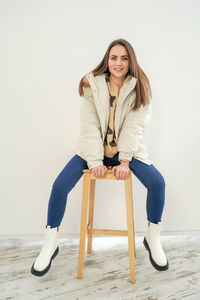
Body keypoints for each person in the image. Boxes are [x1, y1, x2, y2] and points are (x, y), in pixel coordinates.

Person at [31, 38, 169, 277]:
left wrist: (125, 159)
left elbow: (134, 128)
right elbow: (89, 125)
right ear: (107, 60)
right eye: (114, 57)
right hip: (92, 150)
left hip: (127, 151)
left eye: (124, 58)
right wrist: (94, 161)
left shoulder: (140, 86)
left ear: (131, 61)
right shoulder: (91, 85)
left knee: (157, 183)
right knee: (60, 185)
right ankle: (49, 243)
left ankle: (152, 238)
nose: (118, 63)